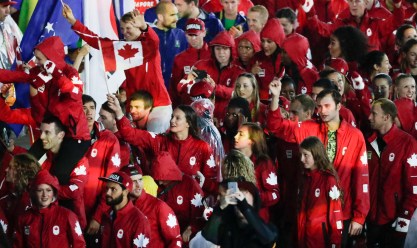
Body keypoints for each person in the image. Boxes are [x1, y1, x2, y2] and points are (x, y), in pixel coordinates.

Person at [267, 80, 369, 247]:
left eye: (327, 106)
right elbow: (275, 127)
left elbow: (361, 176)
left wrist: (359, 216)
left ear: (338, 106)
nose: (322, 111)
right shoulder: (308, 128)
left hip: (342, 212)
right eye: (319, 107)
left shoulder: (355, 136)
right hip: (311, 210)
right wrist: (275, 97)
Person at [63, 5, 173, 134]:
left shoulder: (148, 45)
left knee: (154, 143)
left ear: (138, 27)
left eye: (128, 28)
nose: (125, 32)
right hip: (135, 107)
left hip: (158, 105)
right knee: (134, 145)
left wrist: (145, 27)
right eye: (122, 28)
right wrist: (73, 21)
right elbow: (95, 40)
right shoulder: (121, 47)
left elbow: (154, 40)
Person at [107, 94, 218, 196]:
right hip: (162, 201)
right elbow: (130, 134)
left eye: (177, 118)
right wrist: (118, 113)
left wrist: (200, 184)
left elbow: (212, 181)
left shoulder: (203, 147)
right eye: (172, 117)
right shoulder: (159, 141)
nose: (172, 121)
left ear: (188, 123)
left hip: (189, 204)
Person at [0, 35, 90, 142]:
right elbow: (12, 76)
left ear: (51, 59)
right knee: (6, 116)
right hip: (40, 121)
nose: (36, 62)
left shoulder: (70, 73)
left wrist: (56, 73)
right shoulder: (37, 72)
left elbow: (74, 95)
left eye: (39, 59)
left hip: (67, 132)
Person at [366, 98, 417, 247]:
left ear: (386, 117)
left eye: (374, 114)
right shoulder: (367, 141)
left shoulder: (408, 144)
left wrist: (403, 221)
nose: (369, 117)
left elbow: (413, 188)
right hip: (370, 220)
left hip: (394, 221)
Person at [28, 115, 90, 228]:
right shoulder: (42, 157)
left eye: (47, 132)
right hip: (45, 222)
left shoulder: (79, 160)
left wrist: (43, 191)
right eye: (41, 132)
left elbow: (75, 190)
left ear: (61, 135)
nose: (41, 136)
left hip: (72, 224)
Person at [81, 95, 122, 242]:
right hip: (70, 210)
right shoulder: (67, 138)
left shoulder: (109, 140)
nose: (89, 113)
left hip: (96, 213)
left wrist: (98, 216)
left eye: (92, 108)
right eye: (84, 108)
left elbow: (112, 182)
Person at [180, 31, 245, 123]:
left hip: (228, 119)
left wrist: (214, 87)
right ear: (213, 50)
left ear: (231, 50)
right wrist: (196, 85)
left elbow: (236, 93)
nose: (221, 53)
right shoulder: (201, 65)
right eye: (218, 49)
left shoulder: (238, 71)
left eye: (225, 49)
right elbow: (183, 86)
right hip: (199, 117)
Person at [14, 169, 86, 248]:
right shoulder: (23, 218)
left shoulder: (67, 216)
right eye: (40, 190)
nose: (45, 195)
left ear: (54, 193)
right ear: (33, 193)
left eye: (48, 190)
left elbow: (79, 245)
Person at [201, 178, 278, 247]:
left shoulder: (264, 228)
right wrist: (220, 209)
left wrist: (244, 206)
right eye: (236, 200)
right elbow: (209, 236)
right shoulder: (228, 227)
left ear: (254, 204)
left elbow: (269, 238)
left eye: (245, 201)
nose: (240, 205)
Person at [121, 164, 182, 248]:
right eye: (133, 181)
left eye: (140, 180)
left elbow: (175, 241)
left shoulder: (159, 207)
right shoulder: (117, 208)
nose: (138, 185)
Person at [297, 136, 344, 248]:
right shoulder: (304, 178)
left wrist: (334, 243)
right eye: (301, 155)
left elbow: (336, 215)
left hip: (320, 241)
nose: (301, 159)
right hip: (303, 239)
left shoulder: (328, 180)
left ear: (316, 154)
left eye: (306, 155)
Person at [151, 152, 204, 243]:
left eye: (163, 178)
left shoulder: (190, 184)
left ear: (170, 173)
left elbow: (200, 212)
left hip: (185, 236)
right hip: (163, 236)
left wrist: (191, 228)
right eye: (157, 178)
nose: (159, 183)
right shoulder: (153, 184)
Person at [234, 122, 279, 222]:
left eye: (241, 134)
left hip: (257, 221)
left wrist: (252, 197)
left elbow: (274, 194)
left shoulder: (263, 163)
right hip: (235, 220)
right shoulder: (232, 160)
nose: (235, 136)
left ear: (252, 140)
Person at [98, 171, 151, 247]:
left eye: (113, 189)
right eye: (107, 188)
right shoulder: (106, 216)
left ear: (125, 192)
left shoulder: (139, 221)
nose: (107, 193)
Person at [170, 18, 210, 107]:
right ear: (185, 35)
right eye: (190, 35)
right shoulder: (179, 59)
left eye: (196, 35)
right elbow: (174, 89)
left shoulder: (214, 54)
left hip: (211, 106)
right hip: (188, 108)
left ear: (204, 33)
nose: (193, 38)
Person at [0, 153, 40, 240]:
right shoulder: (13, 195)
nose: (6, 170)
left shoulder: (29, 201)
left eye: (10, 168)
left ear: (20, 172)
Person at [250, 18, 285, 102]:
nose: (265, 45)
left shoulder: (286, 59)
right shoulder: (257, 58)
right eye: (262, 41)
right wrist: (251, 73)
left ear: (278, 42)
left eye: (269, 41)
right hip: (260, 103)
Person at [153, 1, 187, 88]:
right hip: (154, 88)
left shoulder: (181, 35)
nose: (176, 18)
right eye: (172, 15)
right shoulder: (149, 35)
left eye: (176, 14)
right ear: (160, 17)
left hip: (175, 89)